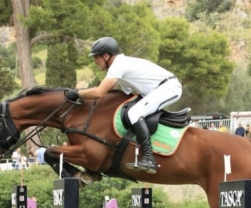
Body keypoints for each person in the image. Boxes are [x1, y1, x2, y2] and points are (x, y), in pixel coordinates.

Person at [67, 37, 182, 174]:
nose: (95, 62)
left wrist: (78, 93)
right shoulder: (119, 65)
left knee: (134, 113)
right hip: (157, 89)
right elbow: (116, 92)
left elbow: (100, 92)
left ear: (106, 55)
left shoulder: (118, 65)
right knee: (129, 109)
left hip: (169, 88)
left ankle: (149, 159)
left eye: (96, 58)